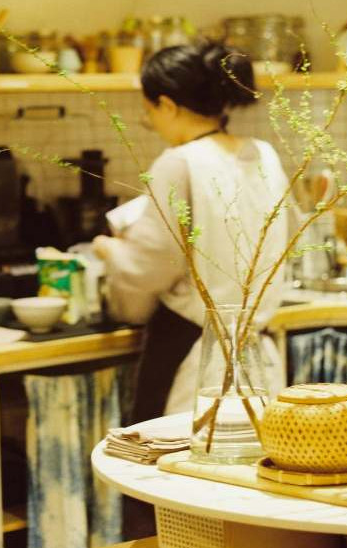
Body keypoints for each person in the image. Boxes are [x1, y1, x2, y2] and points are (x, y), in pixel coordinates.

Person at [93, 42, 292, 536]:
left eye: (148, 111)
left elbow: (149, 267)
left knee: (179, 501)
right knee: (250, 501)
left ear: (167, 104)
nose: (151, 121)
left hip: (193, 351)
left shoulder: (178, 162)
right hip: (258, 352)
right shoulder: (264, 155)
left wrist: (108, 250)